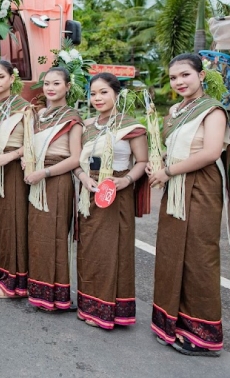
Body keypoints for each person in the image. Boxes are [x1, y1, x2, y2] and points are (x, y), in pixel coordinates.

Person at [148, 53, 230, 356]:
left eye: (185, 75)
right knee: (172, 251)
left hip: (201, 186)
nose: (179, 82)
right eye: (173, 77)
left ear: (201, 75)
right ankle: (172, 323)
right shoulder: (176, 110)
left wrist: (168, 171)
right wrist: (158, 163)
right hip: (176, 186)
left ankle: (202, 335)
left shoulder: (213, 111)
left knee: (199, 256)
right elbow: (171, 148)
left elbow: (210, 153)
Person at [75, 73, 149, 330]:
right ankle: (88, 305)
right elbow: (77, 162)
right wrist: (84, 178)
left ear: (117, 94)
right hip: (89, 192)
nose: (97, 98)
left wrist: (126, 180)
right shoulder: (86, 126)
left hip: (116, 193)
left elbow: (142, 161)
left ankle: (110, 309)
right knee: (89, 249)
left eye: (103, 92)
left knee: (112, 250)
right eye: (93, 93)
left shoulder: (130, 127)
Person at [25, 67, 84, 311]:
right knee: (38, 236)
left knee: (55, 237)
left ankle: (58, 296)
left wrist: (45, 172)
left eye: (56, 83)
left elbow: (75, 158)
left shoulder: (72, 118)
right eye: (47, 83)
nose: (50, 88)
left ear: (68, 86)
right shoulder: (40, 115)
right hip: (36, 179)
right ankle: (40, 292)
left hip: (56, 180)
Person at [0, 60, 31, 299]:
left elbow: (32, 144)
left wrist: (8, 157)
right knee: (1, 226)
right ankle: (7, 278)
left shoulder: (24, 107)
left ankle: (16, 284)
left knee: (15, 225)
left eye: (1, 76)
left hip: (13, 172)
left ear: (12, 78)